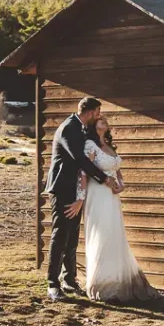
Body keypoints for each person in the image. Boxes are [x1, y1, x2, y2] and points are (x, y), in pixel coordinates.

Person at [43, 97, 121, 302]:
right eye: (97, 112)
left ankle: (69, 278)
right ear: (90, 111)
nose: (99, 116)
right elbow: (79, 159)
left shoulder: (81, 129)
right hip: (62, 188)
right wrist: (104, 179)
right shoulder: (69, 128)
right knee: (60, 235)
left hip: (76, 190)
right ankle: (53, 284)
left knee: (72, 236)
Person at [76, 115, 157, 302]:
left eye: (105, 119)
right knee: (102, 233)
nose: (104, 120)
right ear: (92, 125)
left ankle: (118, 280)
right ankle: (102, 284)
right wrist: (80, 198)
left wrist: (122, 184)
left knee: (114, 233)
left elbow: (116, 168)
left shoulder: (109, 146)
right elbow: (83, 171)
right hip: (97, 194)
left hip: (112, 197)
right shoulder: (90, 145)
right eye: (99, 119)